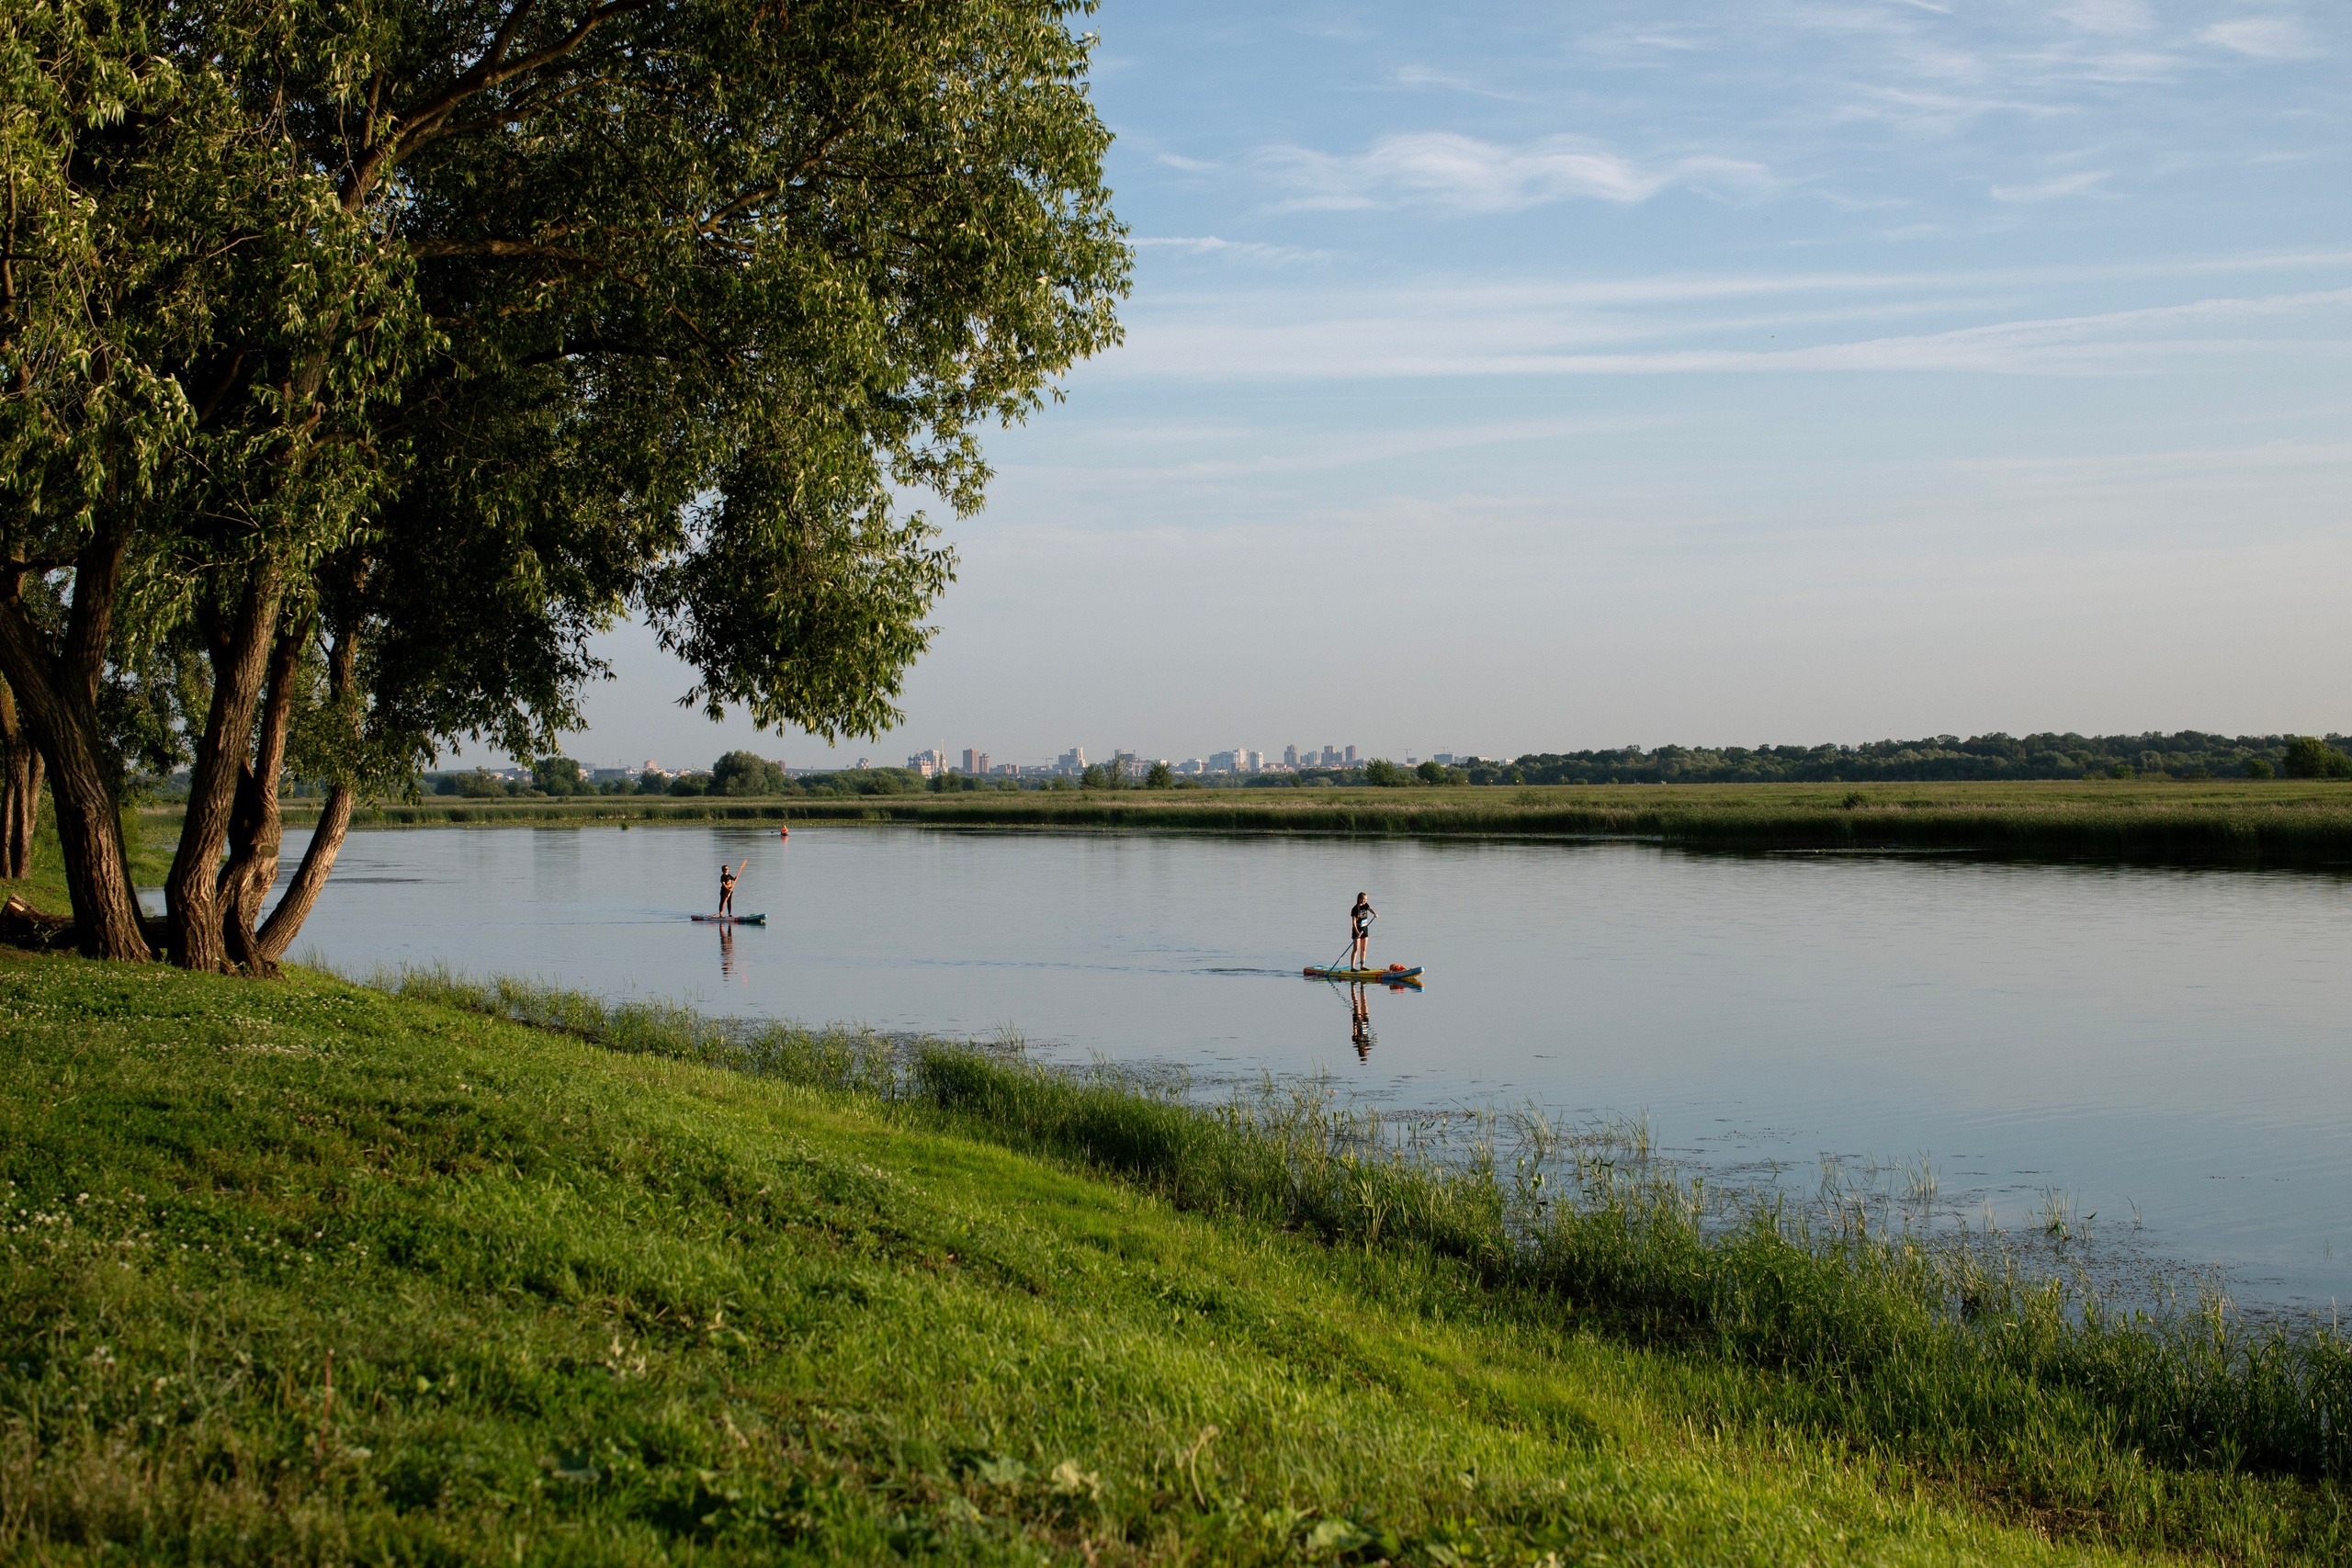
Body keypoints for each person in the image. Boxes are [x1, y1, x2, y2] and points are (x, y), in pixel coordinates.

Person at [1349, 891, 1375, 970]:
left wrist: (1375, 913)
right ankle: (1352, 968)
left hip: (1364, 929)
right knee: (1356, 949)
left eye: (1366, 899)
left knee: (1364, 948)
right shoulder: (1354, 909)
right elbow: (1354, 922)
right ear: (1359, 899)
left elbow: (1370, 909)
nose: (1365, 901)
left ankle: (1362, 966)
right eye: (1364, 899)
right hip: (1357, 930)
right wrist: (1357, 932)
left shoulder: (1365, 905)